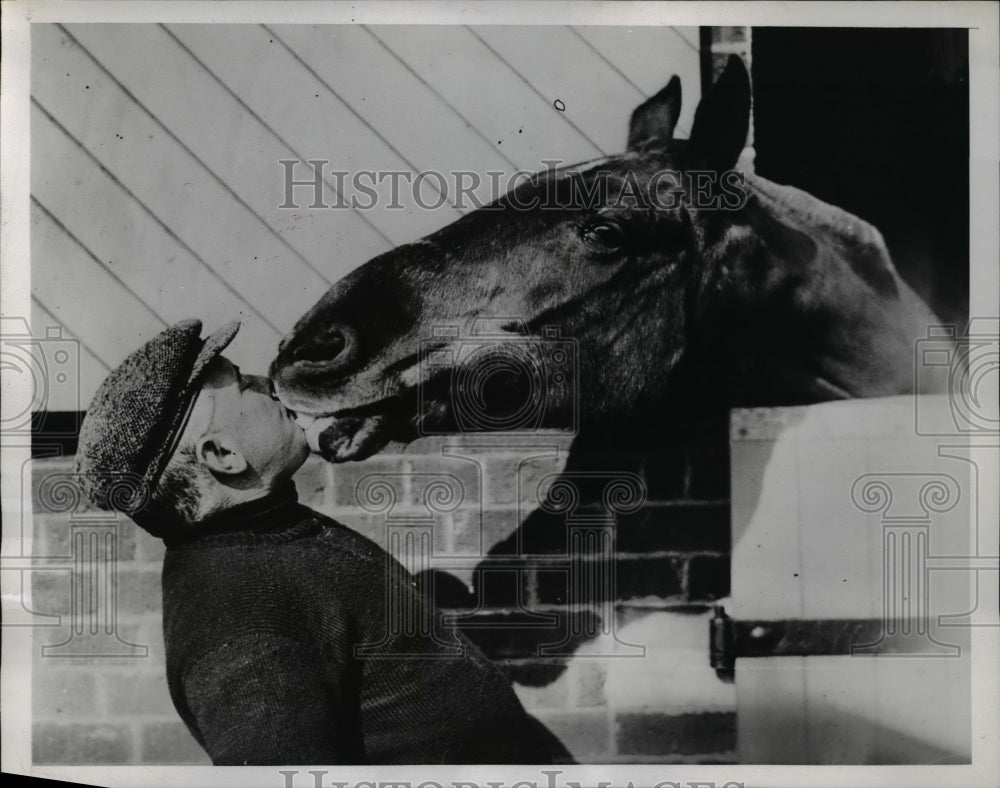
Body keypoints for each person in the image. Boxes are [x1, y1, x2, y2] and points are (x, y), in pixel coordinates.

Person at [74, 319, 556, 765]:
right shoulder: (245, 624)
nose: (269, 385)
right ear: (223, 454)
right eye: (245, 385)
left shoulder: (262, 535)